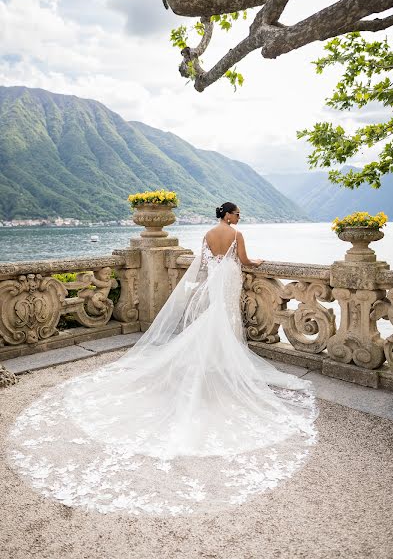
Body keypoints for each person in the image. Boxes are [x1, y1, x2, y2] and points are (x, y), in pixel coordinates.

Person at [8, 202, 317, 517]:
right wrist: (258, 261)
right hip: (229, 282)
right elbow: (247, 261)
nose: (239, 217)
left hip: (214, 284)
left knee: (212, 323)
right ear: (228, 215)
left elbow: (204, 264)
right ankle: (222, 365)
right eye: (236, 213)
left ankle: (211, 363)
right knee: (226, 324)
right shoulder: (236, 234)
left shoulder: (208, 234)